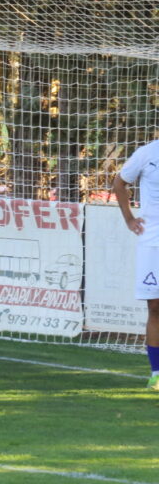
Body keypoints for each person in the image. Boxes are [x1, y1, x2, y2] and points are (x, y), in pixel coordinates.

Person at [113, 139, 159, 392]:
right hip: (153, 241)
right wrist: (129, 219)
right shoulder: (147, 153)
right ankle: (157, 373)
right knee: (155, 306)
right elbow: (119, 183)